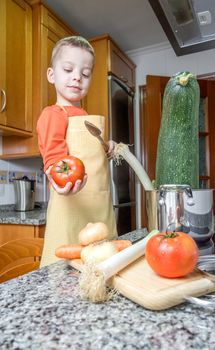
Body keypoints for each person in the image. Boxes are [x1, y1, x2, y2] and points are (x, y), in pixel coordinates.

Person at [37, 36, 117, 267]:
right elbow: (53, 158)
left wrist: (107, 147)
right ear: (52, 75)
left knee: (102, 267)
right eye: (68, 69)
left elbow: (92, 155)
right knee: (67, 274)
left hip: (99, 212)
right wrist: (59, 181)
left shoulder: (87, 118)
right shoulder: (53, 114)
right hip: (71, 211)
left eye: (85, 73)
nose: (77, 77)